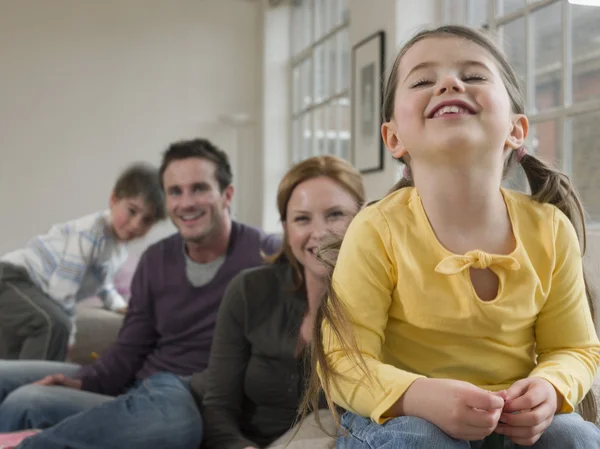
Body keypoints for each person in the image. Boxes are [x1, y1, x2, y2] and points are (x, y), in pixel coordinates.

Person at [303, 25, 600, 449]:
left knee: (575, 436)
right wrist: (418, 396)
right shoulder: (377, 229)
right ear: (394, 138)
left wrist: (550, 388)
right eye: (424, 81)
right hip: (404, 419)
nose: (449, 83)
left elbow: (575, 349)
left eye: (474, 76)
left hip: (509, 423)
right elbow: (343, 364)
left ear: (517, 130)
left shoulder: (550, 228)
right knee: (418, 440)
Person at [0, 138, 279, 449]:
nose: (186, 202)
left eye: (199, 188)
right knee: (10, 382)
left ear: (227, 194)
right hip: (136, 387)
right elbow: (131, 346)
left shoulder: (269, 255)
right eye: (175, 191)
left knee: (28, 402)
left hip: (183, 400)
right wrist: (84, 380)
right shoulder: (155, 259)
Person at [193, 155, 365, 449]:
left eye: (335, 214)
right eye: (302, 218)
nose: (320, 232)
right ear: (286, 228)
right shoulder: (249, 289)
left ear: (363, 218)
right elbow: (219, 407)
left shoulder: (385, 301)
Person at [0, 163, 165, 362]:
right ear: (113, 199)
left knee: (14, 351)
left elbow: (102, 283)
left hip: (31, 290)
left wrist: (118, 305)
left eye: (147, 220)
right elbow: (64, 287)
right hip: (12, 278)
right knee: (54, 324)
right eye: (132, 211)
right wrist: (69, 335)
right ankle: (32, 387)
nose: (136, 224)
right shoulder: (91, 234)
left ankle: (12, 385)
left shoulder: (118, 247)